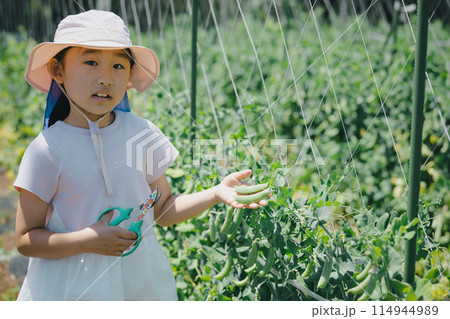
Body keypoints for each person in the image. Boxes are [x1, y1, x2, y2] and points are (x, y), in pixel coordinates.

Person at [14, 10, 269, 301]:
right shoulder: (47, 149)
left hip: (139, 278)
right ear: (58, 70)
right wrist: (88, 240)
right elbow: (25, 239)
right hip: (70, 287)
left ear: (130, 75)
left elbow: (162, 210)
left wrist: (215, 193)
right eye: (91, 62)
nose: (106, 78)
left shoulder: (141, 133)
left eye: (119, 66)